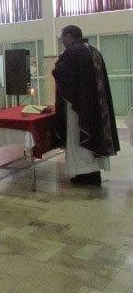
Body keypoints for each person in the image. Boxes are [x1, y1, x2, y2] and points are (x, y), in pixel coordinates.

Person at [53, 25, 119, 185]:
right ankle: (94, 174)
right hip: (96, 106)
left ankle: (83, 175)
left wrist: (57, 66)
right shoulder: (94, 51)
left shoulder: (73, 52)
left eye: (63, 38)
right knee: (94, 136)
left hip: (79, 107)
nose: (63, 42)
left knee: (78, 137)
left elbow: (60, 72)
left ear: (69, 36)